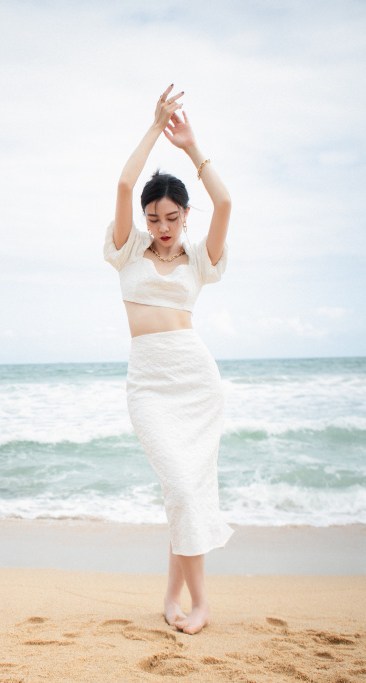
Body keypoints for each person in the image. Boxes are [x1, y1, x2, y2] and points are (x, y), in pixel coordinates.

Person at [103, 85, 233, 635]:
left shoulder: (199, 260)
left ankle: (185, 599)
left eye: (172, 218)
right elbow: (125, 182)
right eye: (154, 218)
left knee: (188, 492)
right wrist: (156, 128)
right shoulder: (126, 249)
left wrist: (192, 147)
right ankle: (191, 600)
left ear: (184, 217)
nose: (161, 227)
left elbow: (225, 202)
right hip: (150, 384)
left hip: (196, 381)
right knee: (180, 487)